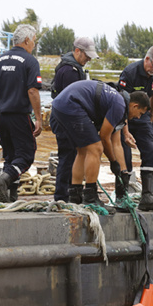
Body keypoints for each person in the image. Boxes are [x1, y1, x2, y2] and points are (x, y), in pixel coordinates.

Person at [50, 80, 150, 211]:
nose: (138, 117)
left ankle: (75, 195)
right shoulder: (119, 105)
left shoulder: (118, 103)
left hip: (59, 105)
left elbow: (116, 144)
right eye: (140, 113)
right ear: (135, 106)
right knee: (96, 148)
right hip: (71, 104)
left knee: (82, 150)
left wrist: (123, 172)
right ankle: (90, 196)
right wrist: (112, 161)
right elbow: (104, 137)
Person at [0, 24, 43, 203]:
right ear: (26, 40)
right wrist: (39, 119)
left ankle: (10, 197)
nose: (33, 44)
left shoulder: (0, 60)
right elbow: (33, 91)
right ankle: (3, 180)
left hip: (1, 115)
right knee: (26, 155)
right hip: (18, 115)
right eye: (33, 41)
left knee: (11, 156)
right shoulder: (30, 61)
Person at [117, 45, 153, 212]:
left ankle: (148, 196)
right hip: (125, 115)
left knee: (152, 150)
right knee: (124, 156)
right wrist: (125, 131)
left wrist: (150, 117)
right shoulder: (130, 73)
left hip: (142, 117)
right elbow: (120, 103)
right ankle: (121, 197)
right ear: (147, 59)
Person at [49, 37, 99, 203]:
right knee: (67, 157)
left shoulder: (73, 69)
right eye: (87, 56)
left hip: (64, 119)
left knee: (72, 156)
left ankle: (70, 193)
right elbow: (71, 101)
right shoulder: (70, 71)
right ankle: (63, 196)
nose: (88, 59)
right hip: (65, 121)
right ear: (77, 51)